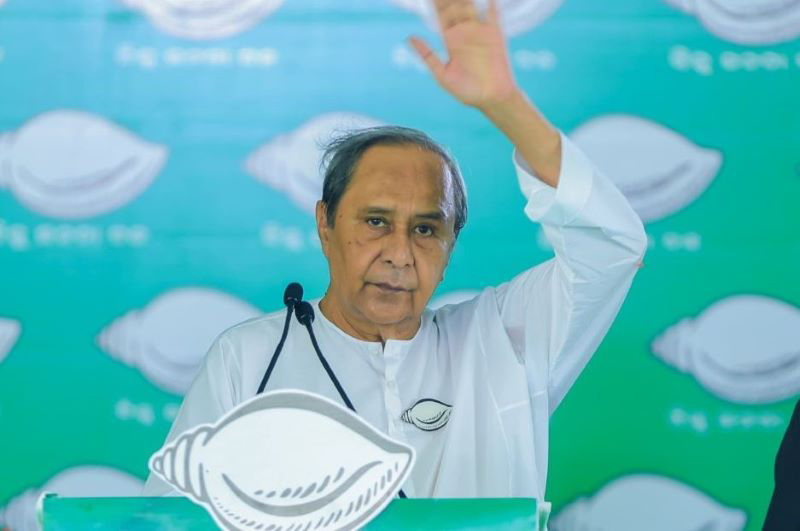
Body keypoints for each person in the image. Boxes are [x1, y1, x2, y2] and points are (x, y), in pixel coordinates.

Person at [143, 0, 647, 504]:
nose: (400, 254)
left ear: (451, 245)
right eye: (376, 222)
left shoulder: (501, 341)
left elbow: (610, 244)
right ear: (325, 224)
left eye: (426, 229)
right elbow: (171, 515)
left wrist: (504, 105)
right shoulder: (249, 359)